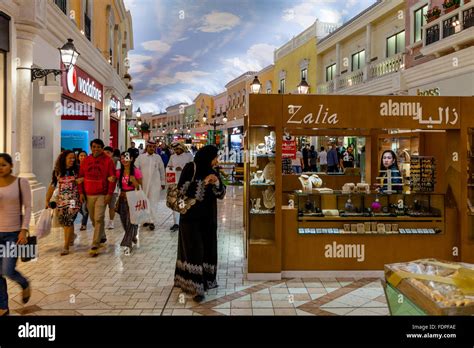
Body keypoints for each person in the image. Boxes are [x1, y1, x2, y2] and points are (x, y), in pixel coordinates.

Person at [174, 145, 226, 303]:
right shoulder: (191, 168)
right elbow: (181, 191)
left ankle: (206, 280)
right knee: (193, 249)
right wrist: (203, 183)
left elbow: (221, 193)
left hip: (208, 218)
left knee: (208, 247)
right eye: (215, 157)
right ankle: (196, 288)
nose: (217, 160)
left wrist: (216, 182)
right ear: (207, 156)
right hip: (190, 218)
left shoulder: (213, 170)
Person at [0, 153, 31, 316]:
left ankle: (24, 283)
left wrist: (24, 230)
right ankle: (3, 307)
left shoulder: (21, 182)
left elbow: (28, 207)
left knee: (7, 270)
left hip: (13, 234)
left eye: (3, 164)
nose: (0, 168)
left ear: (11, 165)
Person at [78, 139, 116, 257]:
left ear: (102, 148)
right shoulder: (86, 161)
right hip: (88, 194)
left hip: (102, 194)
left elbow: (112, 178)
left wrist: (109, 194)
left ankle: (95, 244)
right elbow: (80, 177)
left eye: (99, 147)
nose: (96, 149)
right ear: (91, 147)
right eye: (94, 147)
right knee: (93, 219)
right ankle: (102, 236)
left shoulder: (108, 161)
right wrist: (81, 193)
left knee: (99, 217)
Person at [45, 151, 81, 255]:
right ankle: (71, 236)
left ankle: (65, 247)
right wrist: (47, 200)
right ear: (64, 158)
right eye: (70, 158)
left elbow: (82, 183)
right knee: (63, 221)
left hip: (74, 200)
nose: (72, 160)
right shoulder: (57, 171)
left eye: (74, 158)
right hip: (61, 200)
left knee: (69, 219)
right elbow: (52, 186)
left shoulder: (77, 170)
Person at [134, 141, 166, 231]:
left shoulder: (158, 157)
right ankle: (145, 220)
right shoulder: (141, 157)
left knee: (153, 202)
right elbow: (135, 168)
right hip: (143, 183)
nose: (152, 148)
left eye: (153, 147)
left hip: (155, 184)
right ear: (146, 148)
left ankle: (152, 221)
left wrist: (163, 182)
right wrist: (135, 181)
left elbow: (162, 170)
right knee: (144, 202)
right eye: (150, 147)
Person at [116, 152, 142, 254]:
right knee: (124, 221)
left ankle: (127, 244)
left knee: (130, 221)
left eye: (126, 158)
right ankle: (133, 235)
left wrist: (134, 181)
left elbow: (139, 186)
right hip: (122, 198)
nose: (124, 160)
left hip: (133, 198)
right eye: (122, 158)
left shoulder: (136, 171)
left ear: (131, 158)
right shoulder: (118, 172)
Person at [167, 142, 194, 231]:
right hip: (174, 182)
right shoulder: (172, 157)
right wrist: (174, 169)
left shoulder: (188, 156)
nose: (176, 151)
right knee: (174, 202)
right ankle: (176, 223)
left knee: (183, 201)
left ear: (182, 148)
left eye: (178, 149)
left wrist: (182, 169)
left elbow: (193, 168)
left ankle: (184, 220)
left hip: (185, 183)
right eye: (175, 150)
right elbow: (168, 168)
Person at [103, 147, 120, 230]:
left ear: (112, 153)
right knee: (102, 206)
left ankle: (111, 221)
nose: (106, 154)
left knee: (111, 206)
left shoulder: (116, 162)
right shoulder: (100, 162)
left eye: (108, 152)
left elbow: (117, 175)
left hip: (114, 189)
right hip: (102, 189)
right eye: (105, 152)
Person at [76, 151, 89, 230]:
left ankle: (84, 224)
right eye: (81, 155)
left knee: (84, 208)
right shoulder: (75, 167)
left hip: (85, 190)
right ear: (78, 157)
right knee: (75, 207)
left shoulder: (88, 166)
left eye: (84, 155)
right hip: (74, 191)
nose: (83, 157)